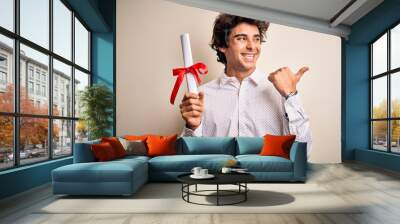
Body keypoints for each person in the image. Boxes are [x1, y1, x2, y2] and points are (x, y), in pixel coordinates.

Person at [179, 14, 311, 153]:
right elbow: (190, 157)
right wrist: (192, 127)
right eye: (242, 38)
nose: (252, 46)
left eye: (257, 39)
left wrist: (291, 96)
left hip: (269, 175)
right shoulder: (201, 96)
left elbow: (303, 152)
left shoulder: (281, 92)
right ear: (222, 46)